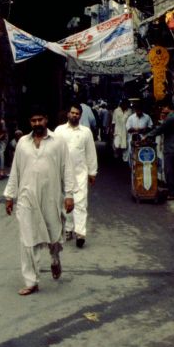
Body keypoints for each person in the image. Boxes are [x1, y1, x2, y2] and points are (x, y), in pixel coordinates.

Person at [4, 106, 76, 296]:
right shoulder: (22, 143)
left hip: (51, 197)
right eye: (33, 121)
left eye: (40, 120)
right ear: (30, 122)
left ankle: (54, 259)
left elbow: (67, 169)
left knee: (54, 236)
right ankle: (31, 280)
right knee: (28, 239)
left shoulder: (58, 143)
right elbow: (15, 171)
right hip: (27, 198)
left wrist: (69, 195)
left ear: (46, 119)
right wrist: (10, 196)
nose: (37, 124)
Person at [54, 103, 98, 248]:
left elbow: (91, 152)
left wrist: (92, 172)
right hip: (62, 173)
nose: (74, 115)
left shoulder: (86, 132)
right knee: (65, 202)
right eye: (72, 113)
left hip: (80, 173)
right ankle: (68, 229)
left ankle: (80, 233)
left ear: (80, 115)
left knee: (80, 203)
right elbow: (53, 152)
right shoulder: (59, 131)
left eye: (77, 113)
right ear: (68, 114)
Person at [141, 98, 174, 199]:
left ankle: (172, 193)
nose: (162, 110)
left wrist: (147, 136)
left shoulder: (170, 118)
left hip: (171, 149)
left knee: (169, 171)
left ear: (167, 107)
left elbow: (160, 129)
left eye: (163, 108)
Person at [126, 101, 152, 170]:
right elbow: (128, 128)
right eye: (137, 109)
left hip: (144, 139)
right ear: (135, 110)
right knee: (133, 155)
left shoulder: (147, 117)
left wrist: (144, 129)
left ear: (142, 109)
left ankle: (143, 170)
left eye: (140, 109)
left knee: (142, 155)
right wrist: (135, 129)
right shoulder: (131, 118)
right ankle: (133, 170)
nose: (138, 111)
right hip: (133, 139)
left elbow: (150, 127)